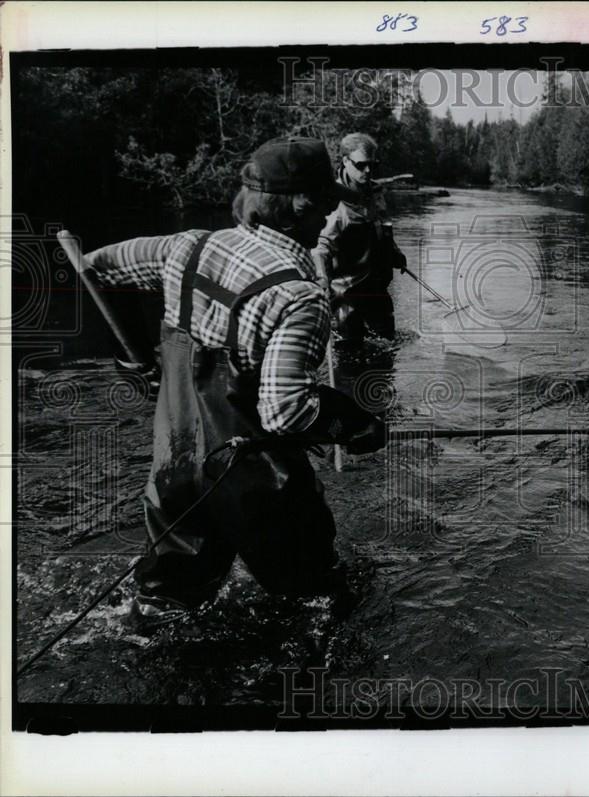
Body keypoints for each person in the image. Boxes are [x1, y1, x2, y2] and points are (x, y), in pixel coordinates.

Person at [85, 136, 385, 630]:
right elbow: (283, 412)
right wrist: (355, 425)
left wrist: (132, 357)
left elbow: (93, 268)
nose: (332, 212)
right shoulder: (299, 295)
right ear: (304, 204)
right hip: (256, 489)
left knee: (163, 618)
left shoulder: (187, 245)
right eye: (327, 201)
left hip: (173, 473)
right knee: (319, 609)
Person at [312, 132, 407, 345]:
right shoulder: (333, 200)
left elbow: (383, 228)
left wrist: (395, 253)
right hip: (347, 296)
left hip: (378, 292)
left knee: (386, 357)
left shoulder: (376, 192)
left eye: (373, 165)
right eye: (361, 164)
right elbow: (320, 248)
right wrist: (321, 280)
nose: (368, 170)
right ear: (345, 161)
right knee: (350, 359)